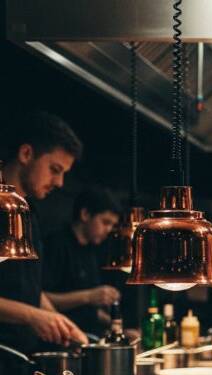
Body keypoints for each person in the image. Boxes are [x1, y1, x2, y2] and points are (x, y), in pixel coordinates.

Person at [0, 111, 88, 361]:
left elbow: (26, 287)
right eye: (54, 169)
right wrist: (33, 316)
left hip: (20, 359)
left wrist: (60, 322)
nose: (59, 182)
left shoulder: (30, 212)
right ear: (26, 154)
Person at [42, 187, 121, 337]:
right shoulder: (56, 244)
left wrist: (117, 325)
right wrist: (90, 296)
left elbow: (88, 313)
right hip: (61, 338)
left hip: (89, 335)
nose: (109, 230)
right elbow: (39, 296)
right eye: (105, 222)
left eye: (112, 225)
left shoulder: (91, 250)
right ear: (85, 214)